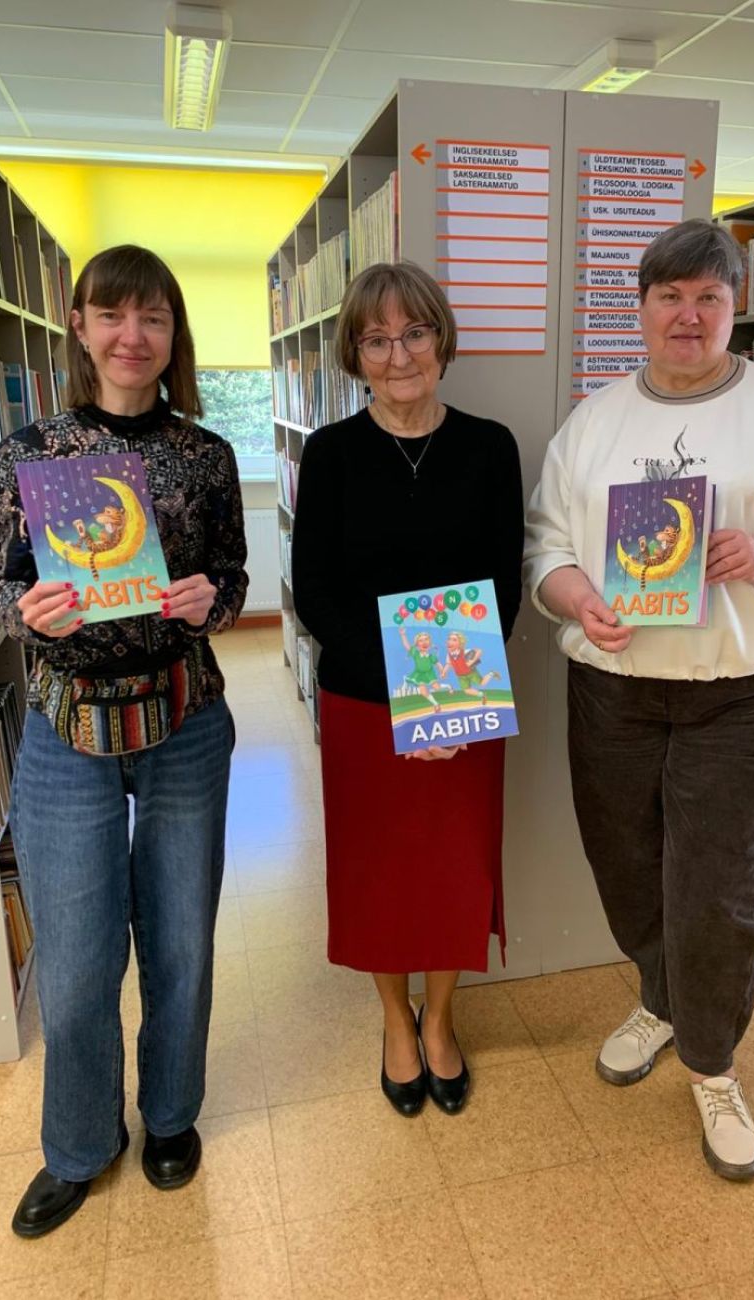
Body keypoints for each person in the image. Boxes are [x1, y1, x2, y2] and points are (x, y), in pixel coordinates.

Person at [524, 219, 754, 1180]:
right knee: (626, 865)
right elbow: (546, 545)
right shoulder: (594, 420)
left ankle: (712, 1064)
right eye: (669, 297)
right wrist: (577, 599)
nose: (688, 315)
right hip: (613, 689)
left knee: (716, 886)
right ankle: (661, 999)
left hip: (741, 691)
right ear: (638, 309)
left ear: (733, 308)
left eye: (707, 298)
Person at [0, 244, 247, 1235]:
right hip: (68, 725)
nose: (132, 336)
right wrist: (30, 613)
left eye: (153, 317)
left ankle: (171, 1117)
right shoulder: (31, 451)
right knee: (75, 959)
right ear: (81, 327)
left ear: (175, 334)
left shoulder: (205, 454)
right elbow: (10, 581)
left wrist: (208, 599)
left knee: (181, 940)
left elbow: (232, 576)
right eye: (112, 315)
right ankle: (78, 1145)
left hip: (184, 716)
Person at [291, 261, 523, 1117]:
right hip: (363, 699)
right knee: (378, 872)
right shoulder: (330, 453)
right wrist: (410, 695)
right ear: (354, 354)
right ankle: (395, 1020)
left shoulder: (490, 446)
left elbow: (502, 582)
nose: (399, 355)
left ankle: (441, 1018)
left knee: (456, 866)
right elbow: (315, 592)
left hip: (467, 697)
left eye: (414, 332)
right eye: (376, 340)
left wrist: (447, 703)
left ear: (441, 340)